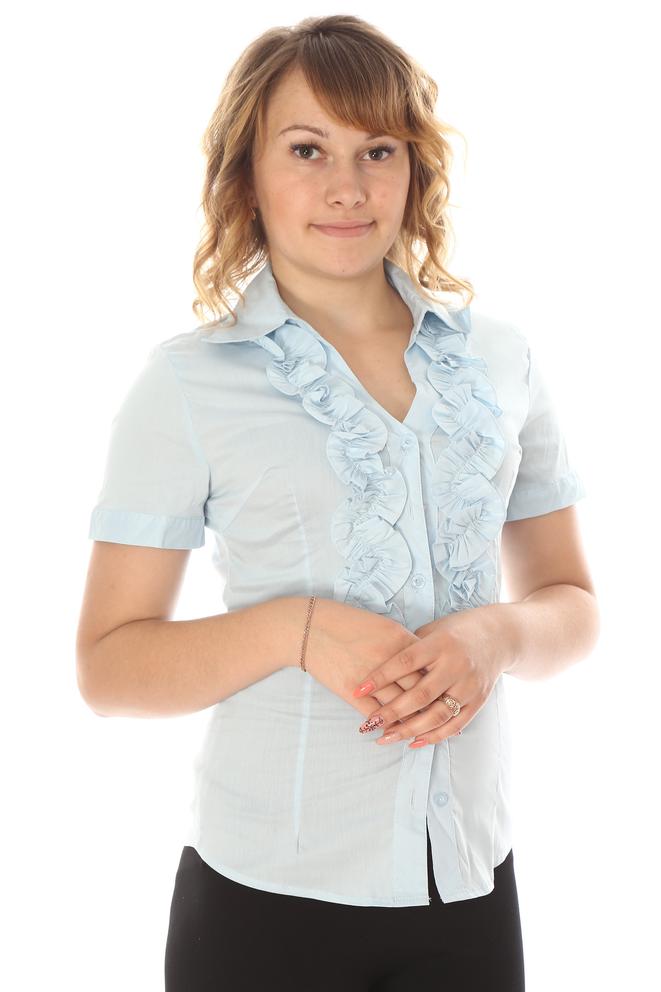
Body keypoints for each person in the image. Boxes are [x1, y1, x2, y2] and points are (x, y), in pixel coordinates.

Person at [76, 14, 600, 992]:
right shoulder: (186, 385)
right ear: (247, 174)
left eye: (377, 150)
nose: (347, 187)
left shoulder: (502, 360)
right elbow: (109, 668)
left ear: (415, 168)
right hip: (263, 904)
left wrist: (498, 634)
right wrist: (297, 629)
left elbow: (571, 601)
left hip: (469, 887)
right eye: (307, 150)